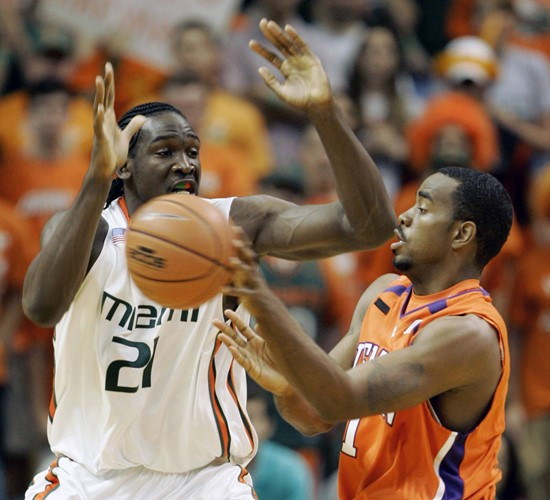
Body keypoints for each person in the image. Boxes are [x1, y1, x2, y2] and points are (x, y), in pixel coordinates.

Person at [22, 19, 396, 499]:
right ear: (125, 164)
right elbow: (41, 307)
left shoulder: (236, 223)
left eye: (192, 151)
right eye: (166, 151)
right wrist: (96, 177)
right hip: (90, 477)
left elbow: (368, 226)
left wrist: (325, 114)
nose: (186, 164)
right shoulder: (87, 232)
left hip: (203, 479)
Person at [216, 166, 513, 499]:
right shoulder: (383, 295)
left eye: (423, 209)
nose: (404, 216)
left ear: (462, 234)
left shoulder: (468, 333)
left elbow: (341, 399)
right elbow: (314, 415)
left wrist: (261, 297)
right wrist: (289, 389)